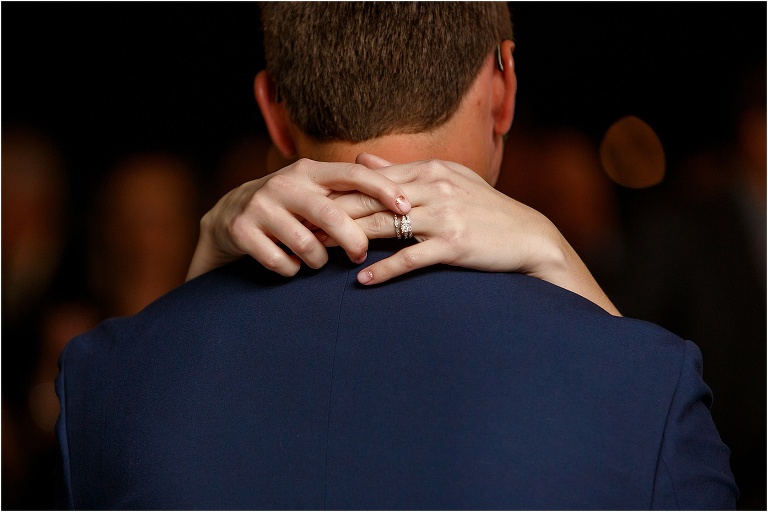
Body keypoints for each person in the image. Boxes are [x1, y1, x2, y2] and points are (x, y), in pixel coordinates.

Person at [57, 4, 736, 509]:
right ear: (501, 90)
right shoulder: (646, 382)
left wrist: (205, 272)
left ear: (272, 109)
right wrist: (560, 260)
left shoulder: (105, 376)